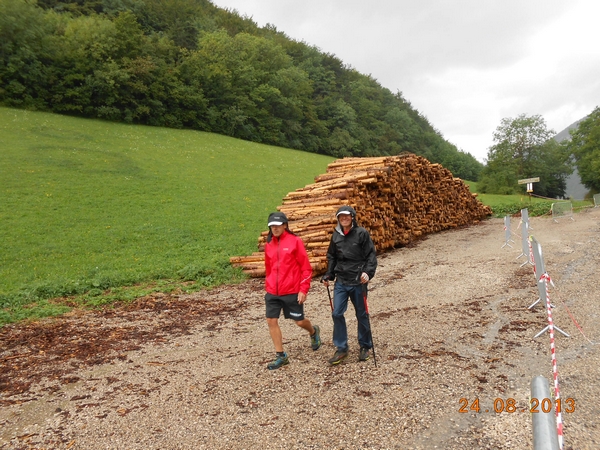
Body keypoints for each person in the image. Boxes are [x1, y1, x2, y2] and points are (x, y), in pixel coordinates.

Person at [263, 212, 322, 370]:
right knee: (271, 320)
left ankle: (313, 331)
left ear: (285, 225)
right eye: (272, 226)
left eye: (277, 225)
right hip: (273, 292)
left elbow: (306, 268)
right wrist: (268, 285)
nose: (274, 228)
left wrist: (303, 289)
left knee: (299, 321)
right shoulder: (268, 244)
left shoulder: (295, 242)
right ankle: (281, 356)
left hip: (291, 291)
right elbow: (268, 268)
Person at [321, 205, 377, 365]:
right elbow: (332, 256)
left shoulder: (362, 233)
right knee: (337, 313)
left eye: (347, 216)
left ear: (352, 217)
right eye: (341, 216)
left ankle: (365, 346)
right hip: (341, 281)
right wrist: (328, 274)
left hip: (358, 280)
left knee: (362, 314)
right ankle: (341, 348)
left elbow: (371, 256)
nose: (344, 218)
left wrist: (368, 272)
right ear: (338, 219)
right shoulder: (336, 236)